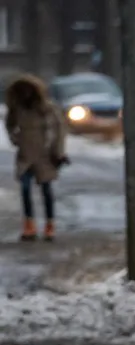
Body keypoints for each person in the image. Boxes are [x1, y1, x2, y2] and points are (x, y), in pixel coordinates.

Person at [5, 75, 66, 242]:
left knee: (46, 190)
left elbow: (58, 131)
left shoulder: (47, 109)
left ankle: (49, 225)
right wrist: (16, 139)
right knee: (25, 189)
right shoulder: (17, 109)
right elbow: (10, 124)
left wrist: (58, 152)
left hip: (45, 155)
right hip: (25, 155)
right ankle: (29, 225)